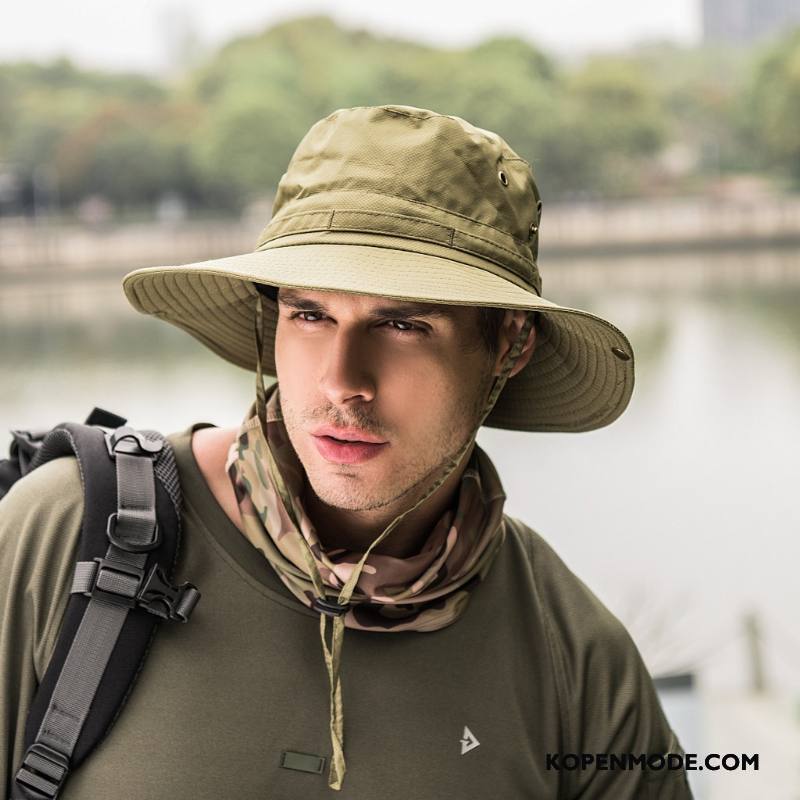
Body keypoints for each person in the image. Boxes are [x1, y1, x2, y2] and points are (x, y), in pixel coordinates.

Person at [1, 104, 693, 798]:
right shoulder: (65, 538)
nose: (342, 381)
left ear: (509, 344)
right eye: (310, 315)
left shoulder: (575, 658)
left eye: (402, 323)